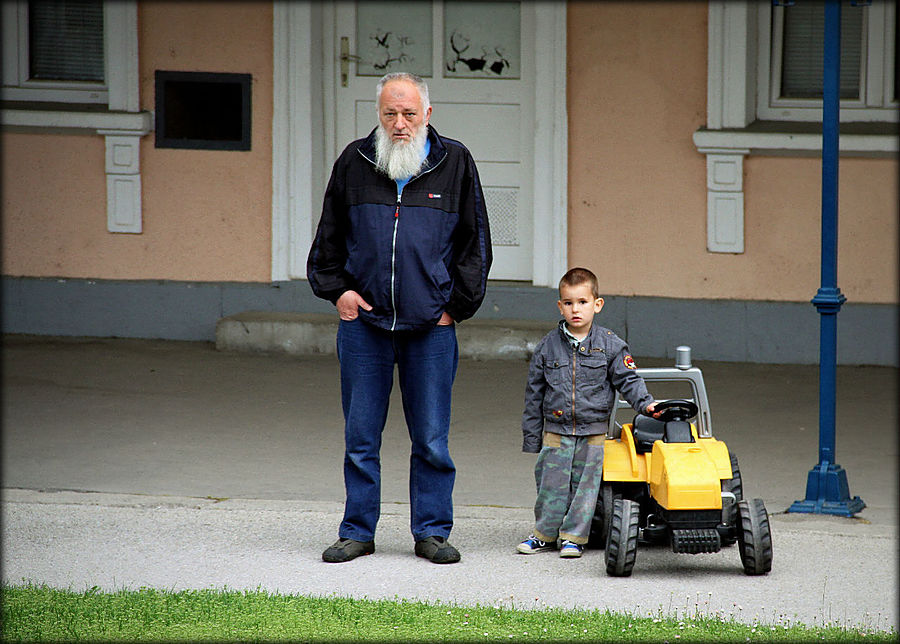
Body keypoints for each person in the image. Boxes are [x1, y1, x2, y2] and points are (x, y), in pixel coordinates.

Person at [307, 72, 492, 564]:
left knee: (431, 438)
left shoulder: (456, 163)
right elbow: (328, 238)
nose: (400, 123)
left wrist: (455, 307)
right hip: (364, 324)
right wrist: (338, 292)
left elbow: (475, 246)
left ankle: (431, 531)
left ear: (428, 114)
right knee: (360, 438)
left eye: (409, 113)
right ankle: (357, 531)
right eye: (390, 113)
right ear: (379, 114)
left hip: (431, 326)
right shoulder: (354, 160)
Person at [518, 267, 657, 558]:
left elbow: (628, 380)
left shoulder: (610, 345)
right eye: (568, 303)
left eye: (582, 302)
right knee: (550, 485)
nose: (575, 309)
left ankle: (573, 538)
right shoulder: (546, 347)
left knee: (585, 488)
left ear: (597, 304)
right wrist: (532, 437)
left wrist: (645, 404)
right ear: (560, 306)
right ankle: (544, 533)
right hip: (556, 431)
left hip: (593, 433)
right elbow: (534, 395)